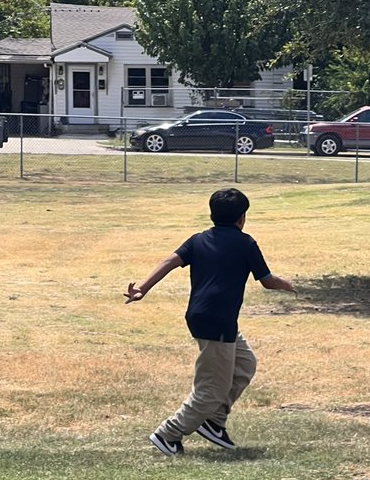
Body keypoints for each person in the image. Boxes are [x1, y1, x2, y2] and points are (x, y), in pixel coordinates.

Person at [125, 187, 295, 455]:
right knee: (211, 389)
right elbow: (267, 281)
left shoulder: (198, 239)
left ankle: (214, 421)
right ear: (241, 218)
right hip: (218, 320)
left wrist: (142, 288)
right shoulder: (246, 243)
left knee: (245, 363)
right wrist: (288, 285)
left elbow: (170, 260)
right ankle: (167, 433)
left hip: (205, 316)